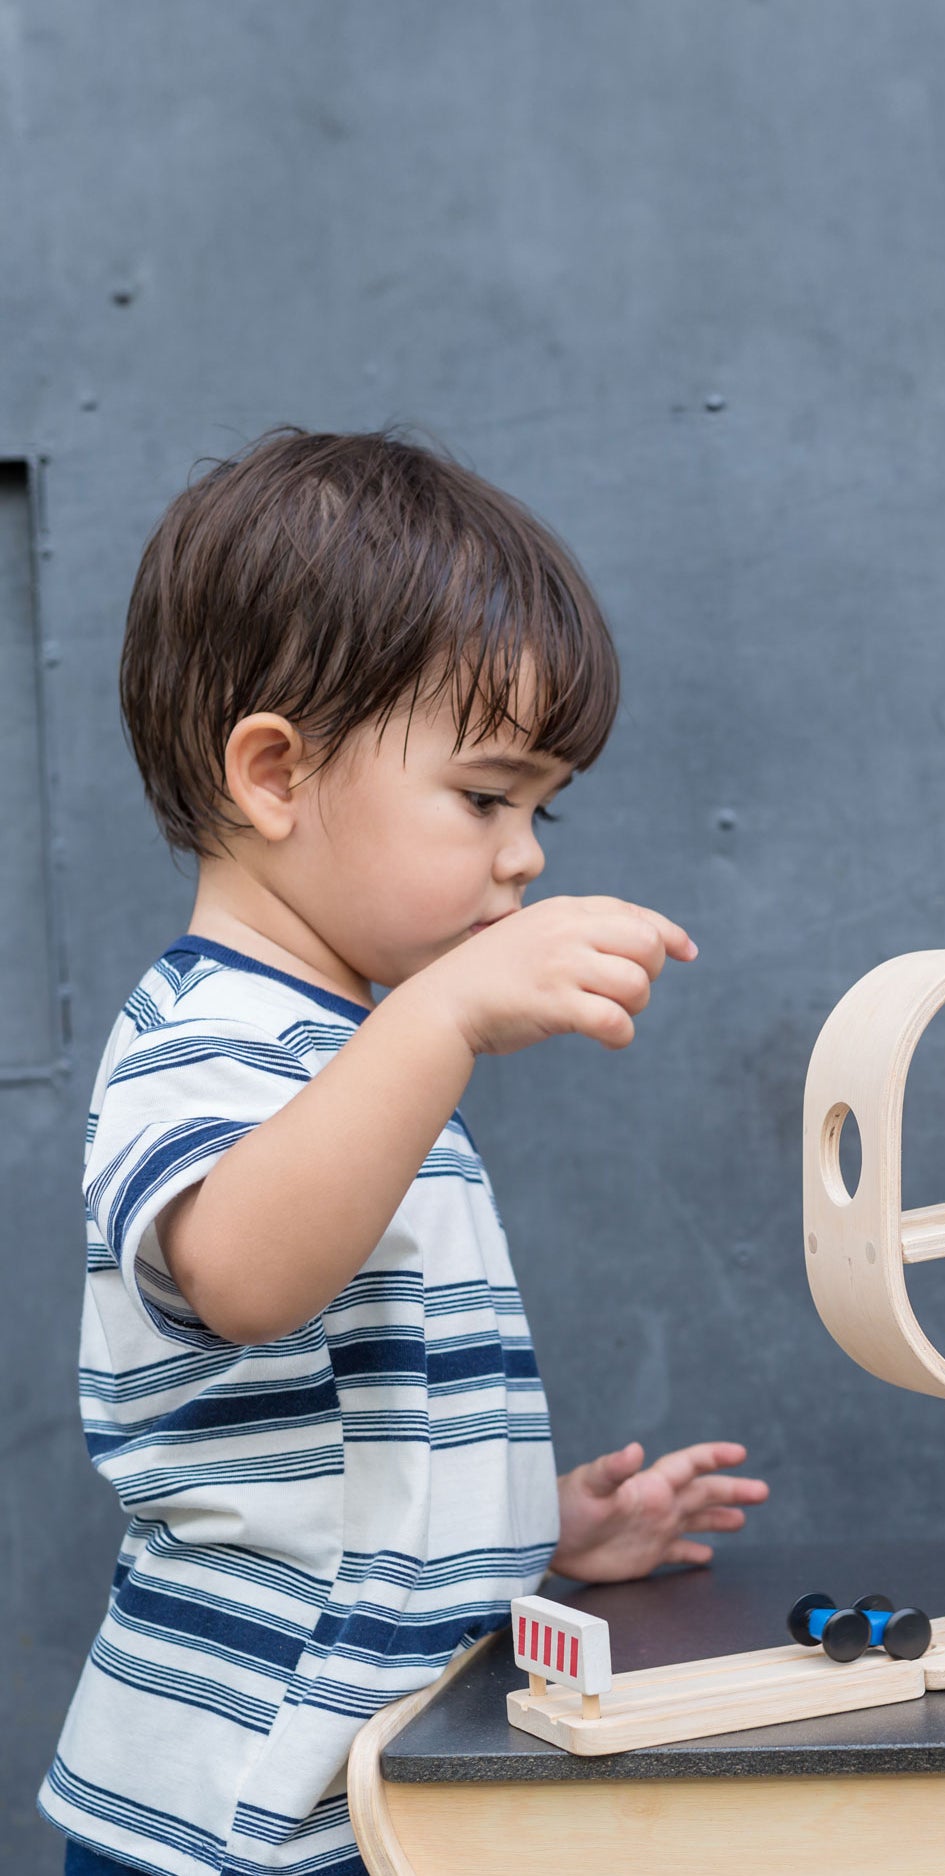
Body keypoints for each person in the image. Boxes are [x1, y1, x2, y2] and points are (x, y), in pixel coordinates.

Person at [38, 429, 769, 1876]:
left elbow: (332, 1436)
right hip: (227, 1820)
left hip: (354, 1792)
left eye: (542, 810)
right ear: (273, 775)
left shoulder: (347, 1054)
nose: (528, 855)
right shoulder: (205, 1039)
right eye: (487, 798)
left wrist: (527, 1537)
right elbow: (246, 1276)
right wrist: (438, 1018)